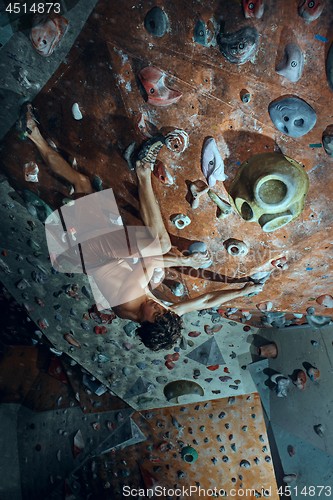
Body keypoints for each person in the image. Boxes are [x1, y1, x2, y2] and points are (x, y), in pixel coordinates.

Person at [19, 103, 269, 351]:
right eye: (164, 311)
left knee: (161, 245)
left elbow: (151, 261)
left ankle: (143, 169)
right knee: (82, 182)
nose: (160, 307)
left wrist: (188, 263)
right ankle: (34, 134)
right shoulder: (163, 316)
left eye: (156, 312)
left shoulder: (128, 303)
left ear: (144, 322)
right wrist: (243, 291)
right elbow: (205, 300)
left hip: (95, 252)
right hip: (106, 250)